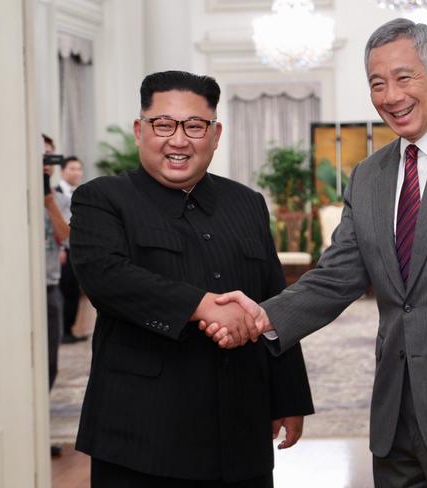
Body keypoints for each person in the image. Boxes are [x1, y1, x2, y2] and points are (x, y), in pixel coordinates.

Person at [203, 18, 427, 487]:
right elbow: (336, 276)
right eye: (377, 83)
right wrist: (261, 317)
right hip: (393, 416)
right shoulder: (369, 175)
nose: (391, 96)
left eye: (404, 78)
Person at [69, 70, 314, 487]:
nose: (178, 140)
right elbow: (106, 278)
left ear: (215, 134)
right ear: (139, 130)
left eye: (195, 126)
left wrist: (288, 396)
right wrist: (200, 304)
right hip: (142, 435)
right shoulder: (102, 199)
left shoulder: (247, 203)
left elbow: (274, 300)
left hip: (240, 429)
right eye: (163, 124)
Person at [42, 134, 71, 457]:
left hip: (49, 285)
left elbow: (67, 238)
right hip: (18, 289)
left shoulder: (59, 199)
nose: (46, 164)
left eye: (50, 158)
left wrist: (48, 201)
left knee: (48, 363)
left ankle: (42, 424)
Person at [55, 156, 88, 343]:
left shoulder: (83, 192)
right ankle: (60, 331)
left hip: (76, 248)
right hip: (61, 250)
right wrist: (59, 247)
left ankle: (69, 330)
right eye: (72, 169)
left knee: (73, 291)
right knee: (62, 291)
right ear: (62, 171)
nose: (76, 172)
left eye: (79, 169)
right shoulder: (53, 193)